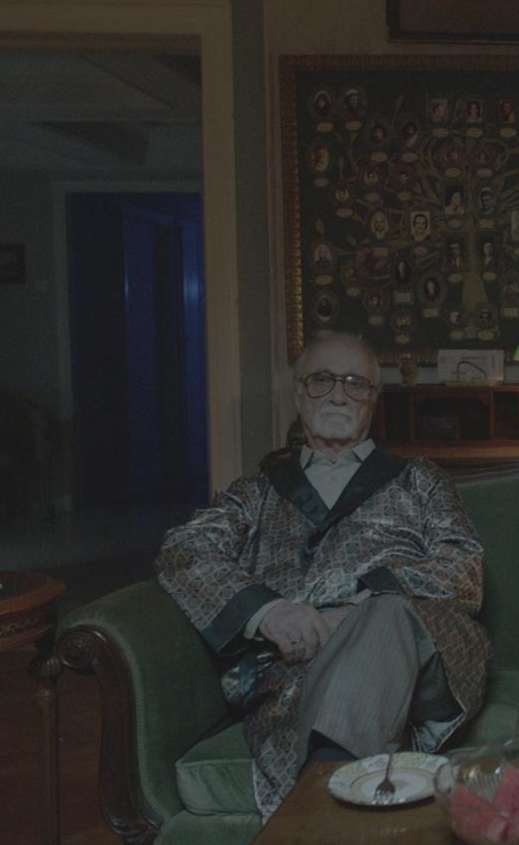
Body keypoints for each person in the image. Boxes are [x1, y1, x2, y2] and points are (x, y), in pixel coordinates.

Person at [154, 332, 491, 819]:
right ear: (298, 394)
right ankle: (336, 821)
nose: (338, 395)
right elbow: (183, 550)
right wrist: (269, 612)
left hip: (421, 656)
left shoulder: (421, 480)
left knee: (385, 615)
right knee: (342, 668)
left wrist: (355, 614)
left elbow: (463, 568)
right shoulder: (254, 494)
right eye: (322, 380)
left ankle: (319, 822)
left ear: (373, 400)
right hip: (295, 668)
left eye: (355, 383)